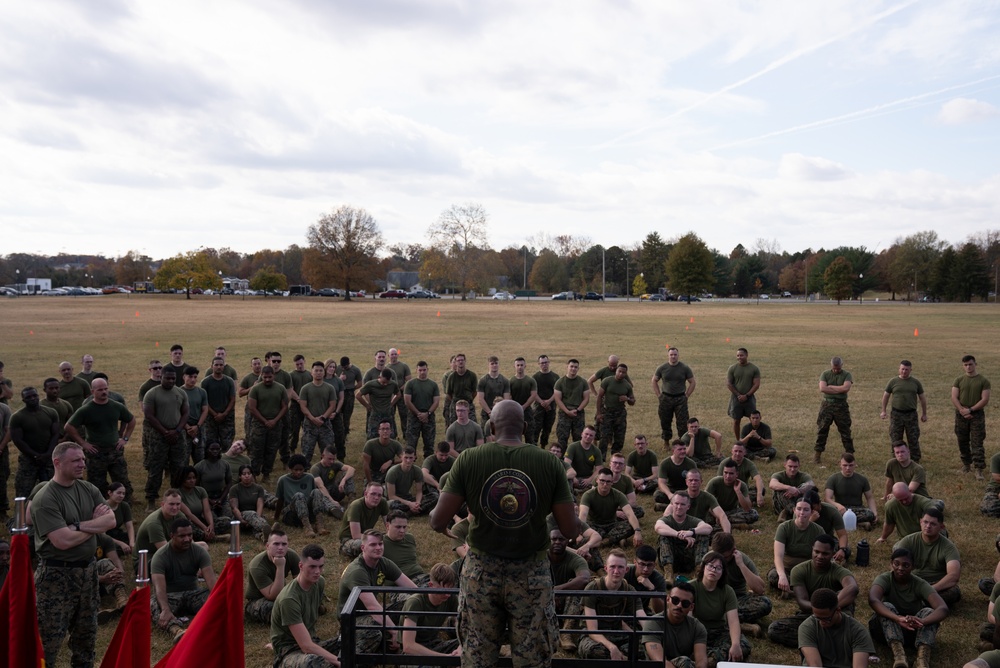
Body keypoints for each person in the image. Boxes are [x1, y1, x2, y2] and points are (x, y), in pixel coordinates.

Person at [430, 399, 576, 668]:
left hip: (481, 572)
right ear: (524, 426)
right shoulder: (549, 462)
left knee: (477, 654)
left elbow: (437, 519)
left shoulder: (469, 459)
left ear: (492, 426)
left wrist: (447, 530)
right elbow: (568, 529)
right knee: (532, 656)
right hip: (532, 572)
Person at [31, 441, 116, 667]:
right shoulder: (45, 498)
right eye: (76, 460)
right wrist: (93, 525)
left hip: (87, 572)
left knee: (86, 637)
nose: (82, 464)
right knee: (48, 640)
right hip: (56, 576)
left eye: (83, 460)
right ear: (57, 463)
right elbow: (62, 541)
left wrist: (77, 526)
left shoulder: (89, 489)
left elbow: (110, 520)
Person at [767, 534, 859, 648]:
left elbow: (852, 588)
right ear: (812, 550)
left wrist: (831, 609)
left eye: (825, 553)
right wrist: (822, 612)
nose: (820, 556)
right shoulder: (799, 570)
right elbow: (803, 602)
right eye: (817, 552)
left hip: (835, 616)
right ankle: (830, 642)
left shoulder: (839, 571)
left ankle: (816, 641)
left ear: (832, 554)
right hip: (812, 615)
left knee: (848, 622)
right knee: (775, 629)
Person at [337, 530, 419, 653]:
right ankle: (347, 648)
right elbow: (373, 607)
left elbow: (413, 589)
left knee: (411, 603)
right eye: (373, 545)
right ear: (363, 548)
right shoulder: (357, 571)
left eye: (380, 544)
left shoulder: (383, 563)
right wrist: (395, 631)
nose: (378, 548)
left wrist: (424, 601)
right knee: (374, 628)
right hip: (354, 618)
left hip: (371, 614)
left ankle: (406, 641)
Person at [868, 547, 949, 668]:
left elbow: (942, 608)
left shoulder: (919, 583)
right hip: (884, 630)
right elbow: (873, 599)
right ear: (891, 563)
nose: (900, 568)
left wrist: (922, 621)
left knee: (929, 612)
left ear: (913, 567)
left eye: (906, 565)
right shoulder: (885, 578)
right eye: (896, 564)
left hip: (911, 630)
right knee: (886, 606)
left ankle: (922, 659)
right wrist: (897, 618)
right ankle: (899, 656)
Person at [270, 543, 342, 667]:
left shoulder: (319, 583)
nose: (317, 572)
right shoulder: (289, 599)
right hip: (290, 651)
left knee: (355, 638)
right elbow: (306, 646)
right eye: (312, 567)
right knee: (315, 663)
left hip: (312, 642)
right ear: (301, 566)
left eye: (320, 567)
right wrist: (339, 661)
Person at [65, 377, 136, 499]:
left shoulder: (116, 406)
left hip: (115, 450)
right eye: (100, 390)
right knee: (96, 485)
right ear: (93, 392)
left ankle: (124, 506)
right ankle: (100, 507)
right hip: (96, 453)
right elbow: (69, 427)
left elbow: (132, 420)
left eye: (106, 389)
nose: (104, 392)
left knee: (122, 481)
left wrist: (124, 439)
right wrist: (83, 443)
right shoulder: (86, 410)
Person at [150, 517, 217, 642]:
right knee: (153, 604)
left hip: (192, 594)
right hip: (170, 596)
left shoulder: (199, 552)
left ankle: (209, 625)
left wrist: (218, 601)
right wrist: (165, 609)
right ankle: (176, 630)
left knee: (218, 598)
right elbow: (159, 589)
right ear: (172, 536)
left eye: (189, 535)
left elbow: (212, 583)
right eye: (182, 536)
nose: (187, 539)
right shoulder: (160, 556)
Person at [577, 549, 646, 660]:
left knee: (641, 650)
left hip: (618, 633)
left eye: (620, 567)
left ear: (626, 570)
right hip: (594, 637)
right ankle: (623, 659)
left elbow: (642, 618)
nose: (616, 571)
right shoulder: (593, 588)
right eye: (612, 567)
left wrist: (651, 635)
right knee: (594, 651)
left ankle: (621, 658)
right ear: (606, 568)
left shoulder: (629, 590)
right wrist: (611, 647)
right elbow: (592, 630)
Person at [691, 551, 751, 664]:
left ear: (722, 573)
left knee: (743, 644)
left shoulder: (727, 591)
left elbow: (733, 621)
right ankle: (713, 660)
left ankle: (710, 660)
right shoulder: (691, 587)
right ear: (703, 567)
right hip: (697, 632)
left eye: (718, 568)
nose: (713, 570)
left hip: (719, 631)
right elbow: (687, 620)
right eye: (710, 566)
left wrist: (735, 645)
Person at [893, 507, 962, 606]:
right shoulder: (908, 541)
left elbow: (954, 576)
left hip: (937, 585)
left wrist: (930, 590)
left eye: (933, 524)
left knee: (953, 593)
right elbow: (894, 566)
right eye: (925, 522)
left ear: (941, 527)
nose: (928, 526)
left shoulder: (949, 547)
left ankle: (913, 601)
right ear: (920, 522)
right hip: (913, 581)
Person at [142, 369, 190, 505]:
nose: (171, 381)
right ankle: (151, 499)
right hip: (158, 436)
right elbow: (149, 415)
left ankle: (177, 497)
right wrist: (165, 432)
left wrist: (178, 430)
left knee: (178, 467)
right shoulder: (152, 393)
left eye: (173, 379)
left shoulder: (180, 393)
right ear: (161, 378)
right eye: (167, 378)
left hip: (178, 435)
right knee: (156, 468)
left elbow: (186, 413)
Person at [798, 588, 875, 668]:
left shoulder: (859, 632)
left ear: (838, 610)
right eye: (817, 618)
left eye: (826, 619)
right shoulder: (807, 627)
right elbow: (815, 665)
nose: (821, 622)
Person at [711, 533, 772, 633]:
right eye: (718, 557)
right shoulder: (708, 560)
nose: (721, 561)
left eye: (725, 557)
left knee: (765, 604)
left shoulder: (742, 559)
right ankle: (740, 625)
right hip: (715, 600)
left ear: (733, 550)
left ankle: (726, 621)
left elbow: (760, 589)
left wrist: (741, 565)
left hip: (737, 599)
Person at [400, 563, 462, 659]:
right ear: (430, 585)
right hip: (413, 653)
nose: (447, 595)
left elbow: (465, 627)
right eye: (442, 590)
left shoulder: (451, 598)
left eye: (450, 589)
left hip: (434, 644)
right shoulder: (416, 602)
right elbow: (408, 646)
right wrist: (445, 658)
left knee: (470, 646)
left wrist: (460, 649)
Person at [641, 581, 708, 668]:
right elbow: (660, 661)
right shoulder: (653, 623)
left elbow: (701, 660)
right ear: (668, 599)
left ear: (691, 607)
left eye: (685, 603)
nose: (679, 605)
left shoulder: (697, 627)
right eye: (675, 600)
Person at [274, 454, 342, 537]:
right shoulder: (283, 480)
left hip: (308, 512)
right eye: (296, 470)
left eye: (301, 470)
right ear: (290, 469)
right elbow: (280, 500)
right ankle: (307, 527)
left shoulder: (309, 478)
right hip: (292, 514)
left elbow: (315, 498)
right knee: (299, 495)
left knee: (317, 491)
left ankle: (320, 525)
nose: (298, 472)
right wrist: (276, 516)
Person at [9, 386, 58, 496]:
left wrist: (48, 453)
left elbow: (55, 434)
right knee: (24, 491)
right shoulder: (17, 417)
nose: (32, 398)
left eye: (34, 395)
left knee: (54, 490)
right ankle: (23, 512)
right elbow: (17, 440)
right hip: (28, 460)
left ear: (38, 396)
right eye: (28, 397)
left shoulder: (51, 412)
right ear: (23, 400)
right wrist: (35, 455)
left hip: (49, 458)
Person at [245, 527, 300, 623]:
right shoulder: (257, 566)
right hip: (259, 599)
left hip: (282, 592)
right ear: (267, 546)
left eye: (284, 544)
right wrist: (280, 567)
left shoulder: (292, 555)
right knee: (274, 609)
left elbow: (301, 583)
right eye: (276, 544)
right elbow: (273, 596)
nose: (280, 548)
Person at [769, 498, 827, 590]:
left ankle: (794, 588)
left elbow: (824, 555)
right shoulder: (784, 527)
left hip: (808, 570)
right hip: (787, 568)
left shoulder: (818, 530)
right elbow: (778, 556)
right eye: (799, 509)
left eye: (806, 510)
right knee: (773, 576)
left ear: (811, 512)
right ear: (794, 510)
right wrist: (782, 575)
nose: (802, 512)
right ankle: (799, 588)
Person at [578, 467, 642, 547]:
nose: (605, 484)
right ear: (597, 480)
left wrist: (637, 531)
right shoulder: (588, 495)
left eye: (608, 482)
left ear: (612, 483)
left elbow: (630, 514)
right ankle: (616, 539)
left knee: (632, 526)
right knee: (587, 529)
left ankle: (602, 542)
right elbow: (583, 514)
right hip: (594, 525)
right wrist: (579, 533)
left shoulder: (618, 495)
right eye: (602, 481)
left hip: (612, 524)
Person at [654, 492, 712, 577]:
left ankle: (699, 571)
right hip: (671, 559)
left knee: (703, 536)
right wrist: (679, 535)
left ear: (688, 507)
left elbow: (708, 528)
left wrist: (691, 532)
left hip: (689, 559)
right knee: (663, 536)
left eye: (682, 504)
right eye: (676, 503)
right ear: (672, 504)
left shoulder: (693, 520)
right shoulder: (666, 520)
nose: (679, 507)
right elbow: (658, 527)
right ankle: (668, 574)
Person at [952, 354, 991, 478]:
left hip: (976, 415)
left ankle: (978, 468)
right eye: (966, 365)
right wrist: (962, 410)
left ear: (975, 364)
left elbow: (985, 399)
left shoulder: (983, 381)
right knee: (962, 440)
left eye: (970, 364)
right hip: (961, 414)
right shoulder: (959, 380)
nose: (968, 367)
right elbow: (954, 397)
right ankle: (966, 465)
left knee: (977, 441)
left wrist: (971, 410)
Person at [248, 365, 289, 481]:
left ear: (274, 376)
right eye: (265, 377)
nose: (267, 379)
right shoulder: (255, 389)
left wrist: (274, 420)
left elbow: (285, 406)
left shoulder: (281, 388)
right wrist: (265, 421)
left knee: (271, 450)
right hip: (259, 424)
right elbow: (252, 408)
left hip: (275, 424)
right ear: (261, 376)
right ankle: (254, 474)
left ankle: (266, 474)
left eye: (269, 377)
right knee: (256, 450)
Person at [881, 360, 928, 461]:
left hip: (911, 415)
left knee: (913, 439)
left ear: (911, 370)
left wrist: (924, 414)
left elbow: (922, 399)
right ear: (899, 369)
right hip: (896, 414)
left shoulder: (916, 383)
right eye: (902, 369)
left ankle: (915, 461)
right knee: (895, 438)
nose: (904, 371)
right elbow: (886, 396)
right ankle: (896, 460)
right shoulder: (893, 382)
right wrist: (883, 411)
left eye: (906, 369)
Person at [651, 346, 696, 449]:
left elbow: (692, 382)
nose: (673, 356)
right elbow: (654, 380)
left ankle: (682, 442)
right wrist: (659, 395)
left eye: (675, 354)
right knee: (665, 420)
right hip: (666, 398)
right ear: (668, 355)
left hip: (680, 398)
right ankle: (666, 442)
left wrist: (687, 395)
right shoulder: (662, 368)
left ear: (678, 355)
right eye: (671, 354)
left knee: (683, 422)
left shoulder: (684, 368)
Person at [815, 356, 854, 464]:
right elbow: (822, 388)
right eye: (834, 368)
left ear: (842, 365)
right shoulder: (825, 374)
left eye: (838, 368)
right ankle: (817, 456)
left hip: (841, 406)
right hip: (827, 405)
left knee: (845, 431)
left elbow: (846, 388)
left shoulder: (847, 375)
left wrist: (831, 387)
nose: (836, 370)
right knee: (822, 430)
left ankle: (850, 456)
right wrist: (839, 389)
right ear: (831, 365)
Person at [298, 361, 338, 463]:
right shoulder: (305, 388)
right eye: (316, 370)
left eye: (321, 370)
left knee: (328, 451)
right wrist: (312, 418)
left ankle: (326, 473)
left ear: (324, 373)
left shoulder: (330, 388)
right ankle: (304, 473)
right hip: (309, 425)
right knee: (306, 452)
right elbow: (303, 406)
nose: (318, 373)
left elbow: (332, 405)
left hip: (325, 424)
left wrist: (323, 418)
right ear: (312, 372)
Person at [825, 452, 878, 528]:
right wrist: (838, 505)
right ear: (840, 464)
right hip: (841, 509)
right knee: (829, 513)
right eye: (845, 465)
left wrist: (874, 512)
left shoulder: (862, 479)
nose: (848, 468)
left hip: (857, 509)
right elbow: (827, 499)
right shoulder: (833, 479)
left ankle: (848, 522)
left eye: (850, 465)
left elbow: (869, 497)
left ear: (855, 464)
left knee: (870, 514)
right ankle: (859, 523)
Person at [878, 483, 944, 544]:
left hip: (926, 537)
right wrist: (883, 537)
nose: (904, 502)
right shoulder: (890, 506)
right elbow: (889, 524)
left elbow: (935, 515)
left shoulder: (923, 502)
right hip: (907, 539)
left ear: (910, 491)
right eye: (900, 500)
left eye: (906, 498)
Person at [339, 481, 389, 558]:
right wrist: (378, 540)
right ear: (365, 494)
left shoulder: (382, 502)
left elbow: (389, 525)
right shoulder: (356, 506)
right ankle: (345, 550)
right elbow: (356, 535)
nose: (376, 498)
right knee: (362, 545)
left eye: (379, 495)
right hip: (350, 539)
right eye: (373, 494)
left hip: (367, 536)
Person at [596, 362, 635, 457]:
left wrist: (628, 399)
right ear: (616, 371)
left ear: (626, 374)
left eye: (623, 372)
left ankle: (616, 456)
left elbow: (633, 401)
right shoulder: (607, 381)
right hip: (607, 411)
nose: (621, 374)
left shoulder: (627, 385)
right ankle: (601, 458)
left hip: (620, 413)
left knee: (619, 436)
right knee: (604, 436)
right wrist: (599, 413)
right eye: (619, 371)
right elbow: (599, 397)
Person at [403, 361, 440, 457]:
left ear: (427, 370)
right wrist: (418, 414)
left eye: (424, 370)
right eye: (420, 370)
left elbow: (436, 402)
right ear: (416, 370)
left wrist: (427, 413)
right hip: (414, 417)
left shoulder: (433, 385)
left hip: (429, 417)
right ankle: (409, 465)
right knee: (411, 444)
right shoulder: (410, 384)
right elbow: (407, 401)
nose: (422, 372)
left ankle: (428, 466)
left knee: (429, 444)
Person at [386, 446, 437, 516]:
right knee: (392, 504)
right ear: (401, 457)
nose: (408, 460)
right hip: (396, 500)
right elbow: (391, 496)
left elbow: (419, 491)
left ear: (414, 458)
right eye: (406, 457)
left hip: (408, 498)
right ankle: (418, 511)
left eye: (411, 458)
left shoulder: (417, 471)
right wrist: (409, 504)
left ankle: (411, 511)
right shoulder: (393, 472)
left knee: (435, 496)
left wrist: (417, 503)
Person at [706, 462, 759, 527]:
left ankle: (725, 522)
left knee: (753, 514)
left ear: (737, 474)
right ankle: (729, 522)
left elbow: (747, 508)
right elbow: (706, 503)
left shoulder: (741, 485)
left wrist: (738, 491)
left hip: (731, 511)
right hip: (715, 512)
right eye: (725, 473)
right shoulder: (714, 482)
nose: (728, 476)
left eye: (731, 473)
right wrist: (718, 516)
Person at [200, 356, 237, 451]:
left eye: (221, 365)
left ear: (224, 367)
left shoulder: (229, 381)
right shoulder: (205, 382)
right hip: (211, 417)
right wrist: (215, 414)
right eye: (216, 365)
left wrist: (224, 414)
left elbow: (232, 399)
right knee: (211, 443)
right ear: (212, 366)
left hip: (227, 417)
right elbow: (204, 401)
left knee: (227, 443)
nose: (219, 367)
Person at [382, 510, 429, 585]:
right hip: (400, 584)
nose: (402, 531)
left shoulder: (409, 538)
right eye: (398, 527)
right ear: (387, 526)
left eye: (404, 527)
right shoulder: (380, 543)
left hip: (420, 577)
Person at [553, 359, 590, 448]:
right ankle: (561, 459)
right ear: (567, 367)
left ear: (578, 368)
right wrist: (567, 411)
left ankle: (577, 458)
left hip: (578, 413)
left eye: (575, 367)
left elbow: (586, 399)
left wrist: (577, 410)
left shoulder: (583, 382)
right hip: (564, 413)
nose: (573, 369)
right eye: (571, 366)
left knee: (578, 438)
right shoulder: (560, 382)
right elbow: (558, 399)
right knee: (562, 438)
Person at [229, 465, 272, 542]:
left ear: (252, 475)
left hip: (256, 517)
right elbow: (234, 508)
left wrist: (257, 519)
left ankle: (263, 537)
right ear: (240, 476)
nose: (247, 476)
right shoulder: (234, 489)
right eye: (244, 474)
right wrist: (241, 520)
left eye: (249, 473)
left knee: (256, 526)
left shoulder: (259, 488)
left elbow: (260, 505)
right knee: (251, 514)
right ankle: (272, 532)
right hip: (241, 517)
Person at [135, 488, 184, 555]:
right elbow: (166, 552)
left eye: (178, 504)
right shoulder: (154, 523)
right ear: (162, 504)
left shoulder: (179, 515)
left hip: (168, 552)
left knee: (202, 545)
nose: (175, 508)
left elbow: (188, 540)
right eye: (171, 504)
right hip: (149, 558)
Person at [725, 347, 760, 442]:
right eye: (737, 355)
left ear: (747, 355)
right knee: (736, 421)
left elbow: (756, 384)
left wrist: (747, 395)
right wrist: (738, 395)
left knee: (754, 421)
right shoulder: (732, 368)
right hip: (736, 399)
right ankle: (738, 441)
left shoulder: (754, 368)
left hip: (749, 399)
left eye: (741, 355)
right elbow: (729, 383)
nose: (739, 357)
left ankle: (755, 440)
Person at [653, 440, 698, 511]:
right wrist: (670, 495)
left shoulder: (691, 464)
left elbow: (695, 481)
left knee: (694, 500)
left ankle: (664, 507)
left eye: (684, 449)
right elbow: (661, 482)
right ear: (673, 451)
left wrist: (687, 492)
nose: (683, 451)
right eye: (680, 449)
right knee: (658, 495)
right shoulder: (665, 463)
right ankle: (680, 506)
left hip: (685, 491)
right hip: (671, 490)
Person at [357, 369, 401, 440]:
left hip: (387, 414)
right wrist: (367, 406)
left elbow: (398, 394)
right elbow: (358, 395)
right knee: (372, 436)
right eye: (383, 382)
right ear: (379, 377)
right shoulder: (371, 385)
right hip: (375, 415)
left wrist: (391, 404)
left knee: (390, 436)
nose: (385, 384)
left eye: (387, 382)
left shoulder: (393, 384)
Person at [717, 442, 765, 507]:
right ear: (732, 451)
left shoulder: (749, 464)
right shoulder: (724, 463)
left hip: (743, 490)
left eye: (740, 451)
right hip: (728, 491)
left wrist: (759, 494)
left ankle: (744, 501)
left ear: (745, 452)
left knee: (761, 489)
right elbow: (719, 481)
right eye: (735, 451)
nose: (737, 453)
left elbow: (758, 478)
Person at [624, 544, 668, 615]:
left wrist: (652, 590)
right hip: (621, 611)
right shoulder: (624, 572)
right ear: (635, 562)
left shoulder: (658, 578)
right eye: (642, 564)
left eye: (649, 565)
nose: (645, 569)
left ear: (654, 565)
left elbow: (661, 611)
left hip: (643, 611)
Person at [769, 452, 815, 519]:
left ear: (799, 466)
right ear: (785, 465)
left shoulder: (804, 476)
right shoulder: (778, 475)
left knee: (807, 489)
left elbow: (811, 485)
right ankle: (794, 512)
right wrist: (789, 488)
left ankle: (789, 513)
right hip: (781, 505)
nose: (792, 469)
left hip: (799, 503)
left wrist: (797, 491)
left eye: (795, 467)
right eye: (790, 466)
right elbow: (772, 484)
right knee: (779, 489)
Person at [180, 366, 209, 463]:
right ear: (184, 377)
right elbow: (176, 412)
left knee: (200, 457)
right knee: (183, 457)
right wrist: (187, 427)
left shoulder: (201, 392)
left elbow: (205, 410)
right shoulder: (178, 392)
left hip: (198, 428)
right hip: (183, 428)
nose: (193, 379)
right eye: (190, 377)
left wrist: (198, 426)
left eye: (195, 377)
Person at [531, 354, 560, 447]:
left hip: (551, 406)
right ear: (539, 364)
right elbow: (533, 393)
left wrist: (548, 401)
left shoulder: (555, 377)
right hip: (538, 407)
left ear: (549, 362)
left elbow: (557, 392)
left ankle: (543, 445)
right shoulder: (535, 377)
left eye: (546, 362)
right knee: (536, 427)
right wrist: (542, 402)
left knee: (547, 428)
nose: (544, 364)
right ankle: (534, 446)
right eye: (542, 363)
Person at [564, 425, 603, 491]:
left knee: (602, 481)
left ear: (594, 437)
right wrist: (573, 477)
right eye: (586, 434)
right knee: (566, 480)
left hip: (588, 478)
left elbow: (599, 469)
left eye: (591, 435)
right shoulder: (572, 447)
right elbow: (566, 465)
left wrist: (589, 480)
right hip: (573, 476)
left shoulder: (597, 451)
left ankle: (586, 491)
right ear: (582, 434)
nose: (588, 437)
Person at [509, 357, 539, 444]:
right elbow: (509, 396)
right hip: (514, 412)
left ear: (525, 366)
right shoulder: (510, 381)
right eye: (518, 365)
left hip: (528, 412)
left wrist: (524, 406)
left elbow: (533, 395)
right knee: (515, 437)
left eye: (521, 365)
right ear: (514, 366)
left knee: (530, 436)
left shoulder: (531, 381)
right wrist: (517, 407)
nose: (520, 367)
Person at [476, 355, 511, 429]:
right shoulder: (483, 381)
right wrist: (489, 412)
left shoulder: (505, 381)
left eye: (496, 363)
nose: (494, 365)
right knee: (485, 435)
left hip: (500, 413)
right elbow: (480, 399)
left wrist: (499, 411)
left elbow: (506, 399)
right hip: (486, 413)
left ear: (499, 364)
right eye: (492, 363)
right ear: (488, 365)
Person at [608, 452, 644, 518]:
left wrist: (621, 509)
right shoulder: (600, 478)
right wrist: (614, 512)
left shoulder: (626, 480)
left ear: (624, 466)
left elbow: (632, 502)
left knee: (639, 511)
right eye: (615, 462)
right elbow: (595, 502)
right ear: (610, 464)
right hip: (604, 508)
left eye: (620, 463)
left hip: (620, 507)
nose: (617, 465)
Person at [387, 348, 413, 436]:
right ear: (389, 356)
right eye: (392, 354)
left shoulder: (403, 366)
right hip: (390, 395)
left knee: (404, 415)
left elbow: (409, 381)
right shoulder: (386, 368)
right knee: (390, 415)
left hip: (402, 395)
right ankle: (392, 435)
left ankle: (406, 435)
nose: (394, 356)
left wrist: (401, 388)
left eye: (395, 354)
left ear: (397, 355)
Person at [105, 482, 135, 556]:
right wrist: (121, 543)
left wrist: (132, 543)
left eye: (123, 494)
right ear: (110, 493)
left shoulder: (124, 506)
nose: (121, 496)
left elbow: (129, 526)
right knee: (110, 547)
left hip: (117, 534)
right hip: (105, 536)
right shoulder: (103, 507)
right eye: (118, 493)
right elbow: (101, 534)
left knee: (139, 538)